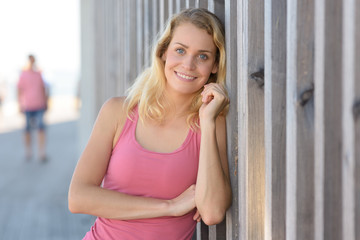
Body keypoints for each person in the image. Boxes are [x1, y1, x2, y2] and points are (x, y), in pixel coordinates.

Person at [68, 8, 232, 240]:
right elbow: (78, 197)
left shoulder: (212, 124)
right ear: (164, 52)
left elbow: (213, 212)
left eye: (203, 56)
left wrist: (206, 121)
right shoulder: (118, 111)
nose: (188, 64)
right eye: (180, 50)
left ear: (215, 65)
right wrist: (170, 206)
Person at [17, 54, 48, 162]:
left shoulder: (38, 74)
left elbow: (43, 88)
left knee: (41, 128)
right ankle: (28, 151)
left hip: (39, 104)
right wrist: (20, 104)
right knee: (27, 129)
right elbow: (19, 90)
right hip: (27, 105)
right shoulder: (23, 75)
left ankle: (41, 152)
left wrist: (45, 102)